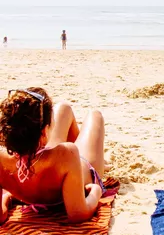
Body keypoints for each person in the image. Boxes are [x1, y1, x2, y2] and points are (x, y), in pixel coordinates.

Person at [0, 88, 106, 224]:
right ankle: (100, 161)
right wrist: (95, 192)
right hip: (80, 167)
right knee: (94, 115)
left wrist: (7, 197)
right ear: (44, 132)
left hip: (44, 161)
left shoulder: (2, 160)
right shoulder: (68, 153)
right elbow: (78, 214)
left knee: (64, 108)